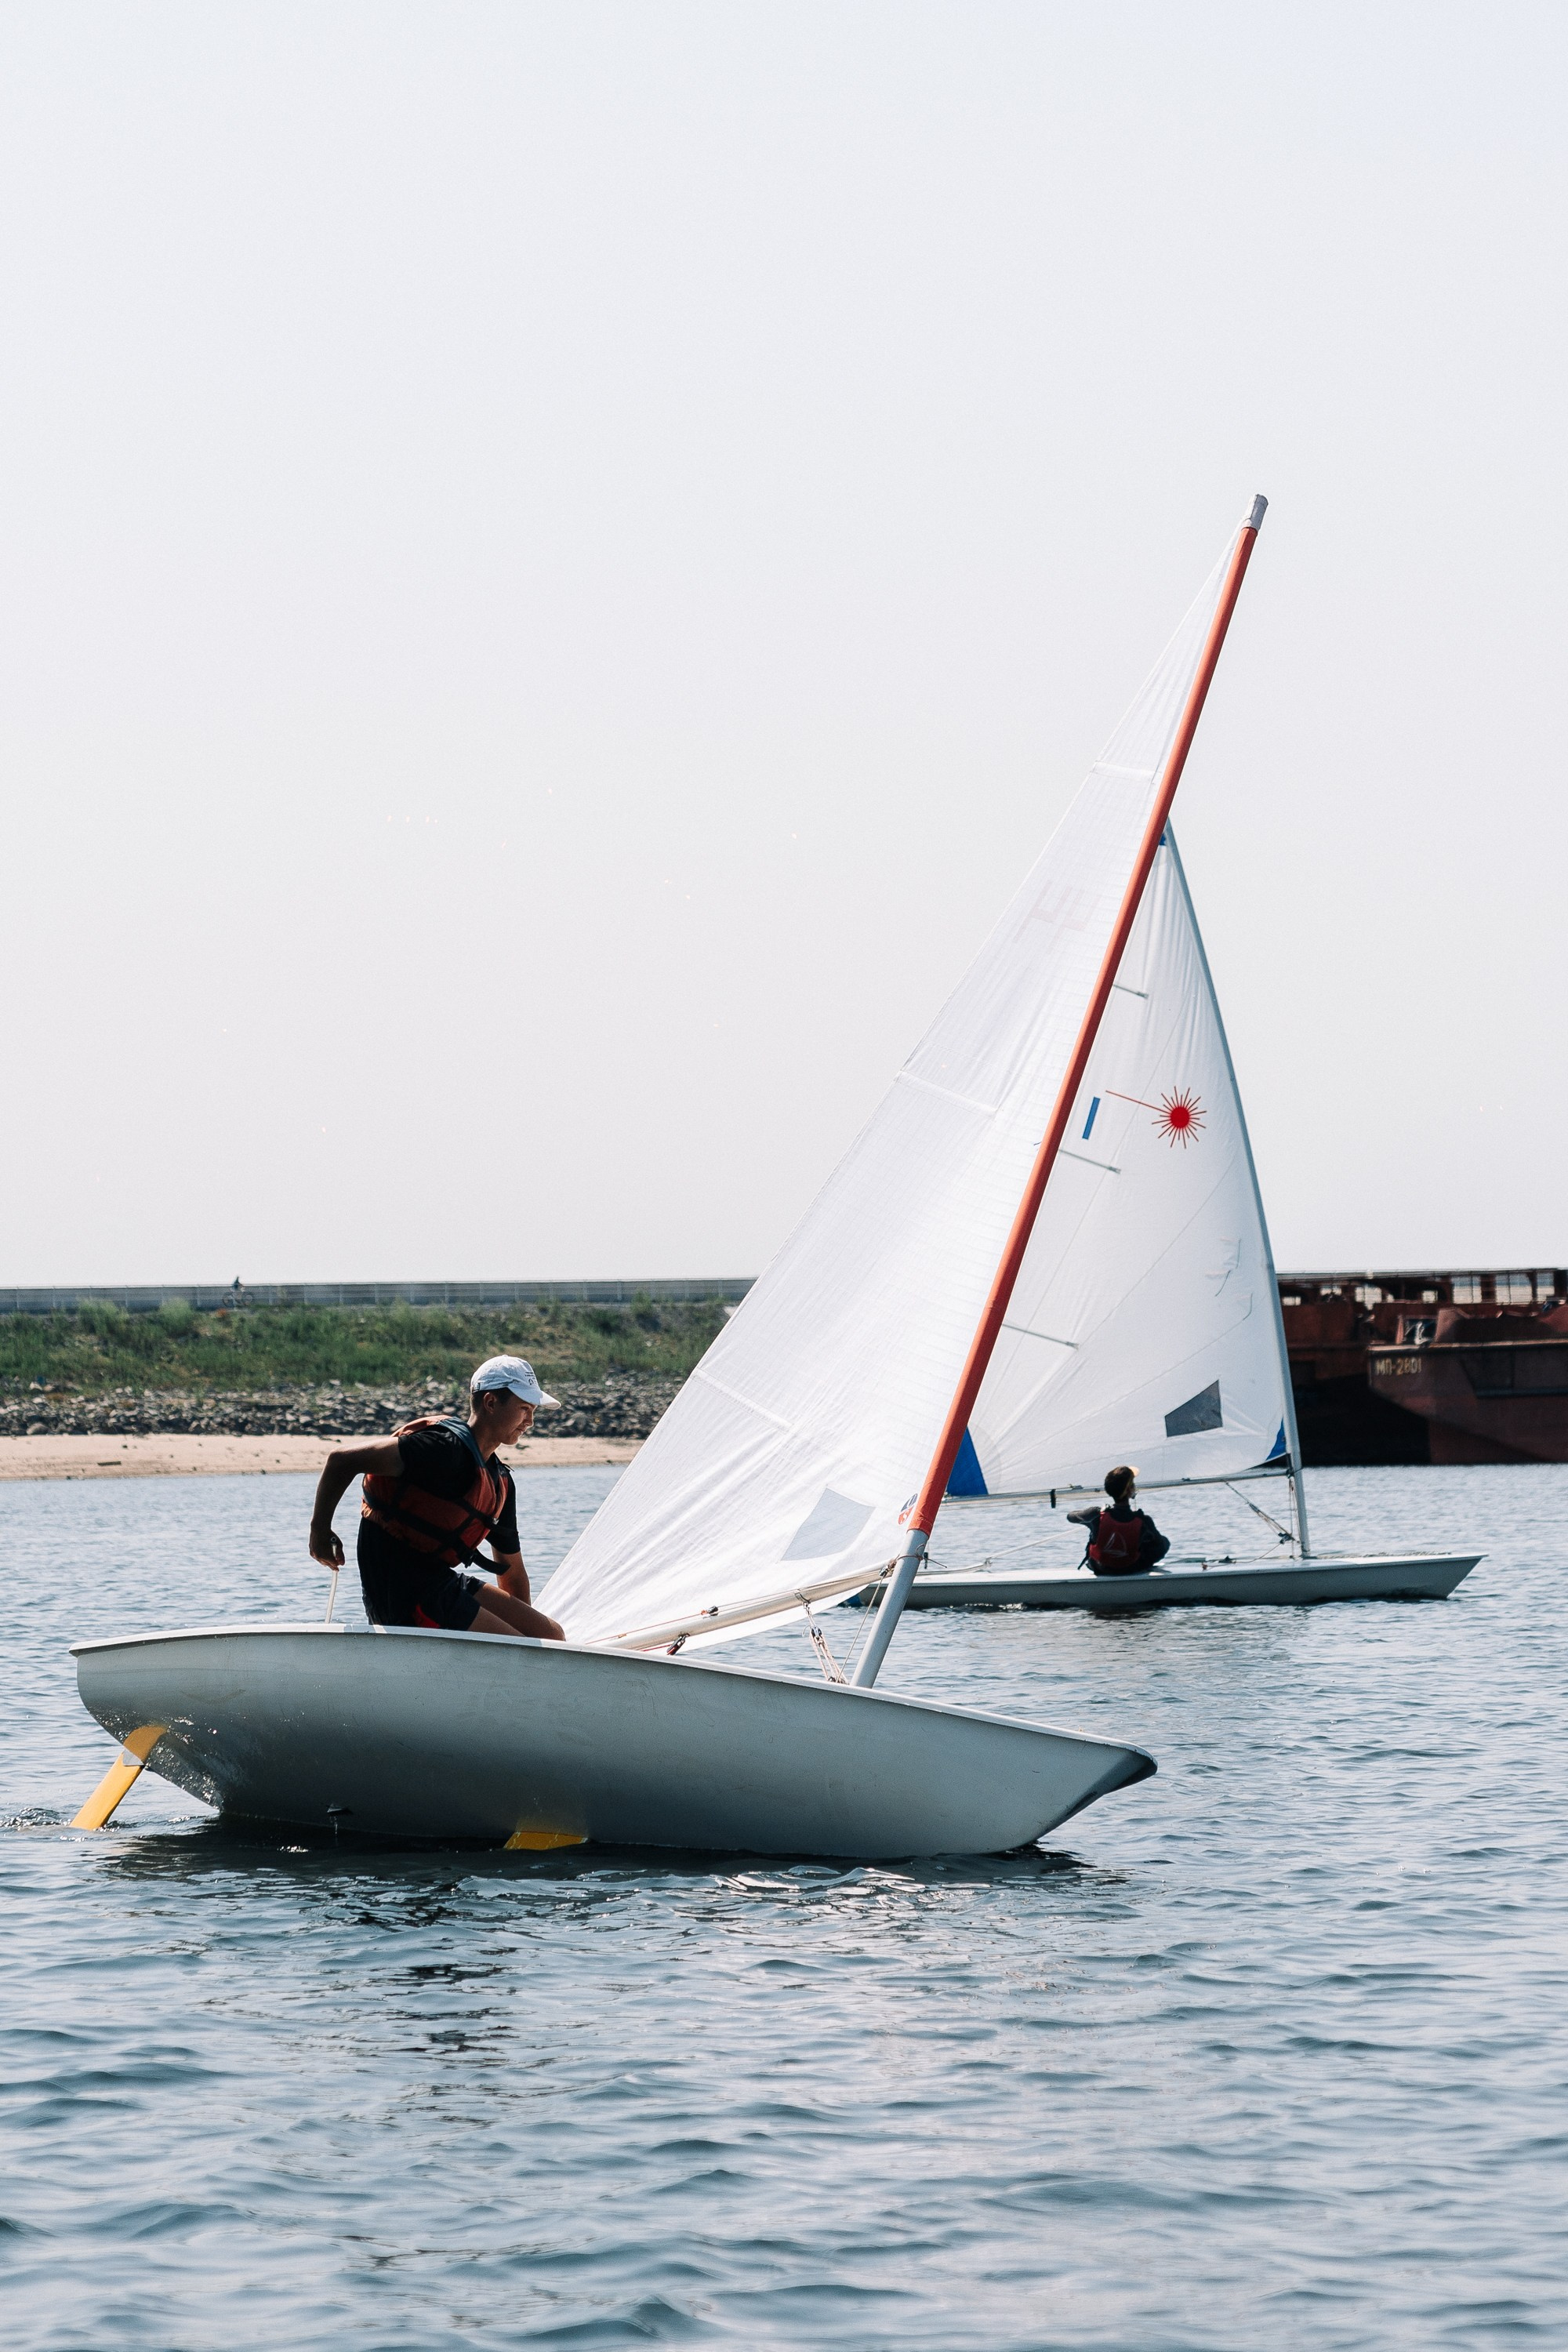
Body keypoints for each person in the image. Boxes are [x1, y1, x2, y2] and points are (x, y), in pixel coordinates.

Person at [308, 1355, 566, 1639]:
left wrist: (534, 1642)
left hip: (442, 1584)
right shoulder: (439, 1449)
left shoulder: (499, 1481)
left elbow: (513, 1574)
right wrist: (320, 1531)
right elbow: (341, 1460)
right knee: (515, 1647)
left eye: (533, 1411)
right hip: (404, 1596)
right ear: (491, 1403)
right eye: (524, 1409)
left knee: (552, 1636)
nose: (530, 1421)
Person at [1065, 1464, 1171, 1577]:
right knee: (1164, 1541)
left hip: (1100, 1568)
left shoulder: (1096, 1514)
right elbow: (1160, 1549)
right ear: (1131, 1490)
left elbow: (1070, 1517)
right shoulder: (1143, 1521)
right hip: (1132, 1568)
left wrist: (1091, 1515)